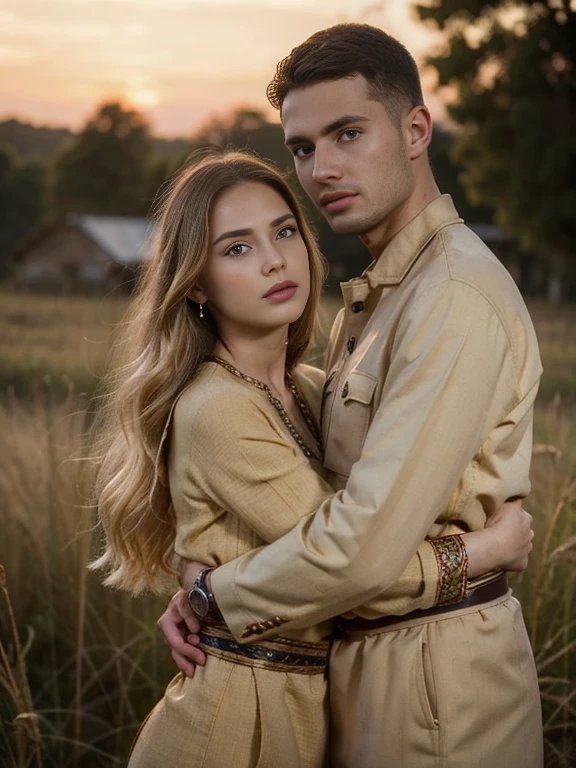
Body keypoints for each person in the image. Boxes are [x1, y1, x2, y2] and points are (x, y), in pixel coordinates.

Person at [160, 24, 544, 768]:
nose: (322, 167)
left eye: (346, 134)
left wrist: (215, 594)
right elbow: (321, 516)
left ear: (415, 130)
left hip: (436, 680)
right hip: (359, 666)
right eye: (303, 148)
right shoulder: (373, 303)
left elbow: (359, 552)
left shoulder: (452, 294)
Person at [89, 149, 532, 768]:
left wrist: (209, 593)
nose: (274, 259)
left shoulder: (317, 387)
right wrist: (483, 553)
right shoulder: (217, 407)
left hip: (307, 711)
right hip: (232, 725)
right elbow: (354, 566)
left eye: (284, 231)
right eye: (236, 248)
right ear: (194, 283)